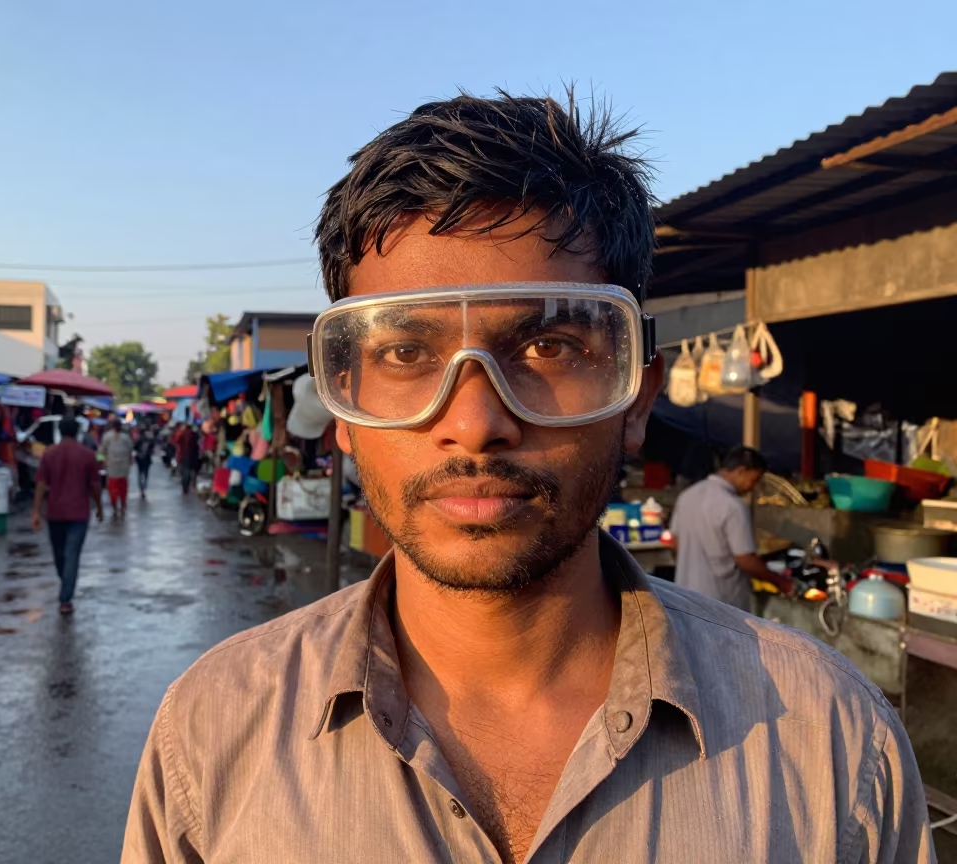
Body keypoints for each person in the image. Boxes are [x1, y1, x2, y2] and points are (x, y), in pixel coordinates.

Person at [123, 90, 933, 864]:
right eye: (406, 354)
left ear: (637, 397)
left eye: (548, 347)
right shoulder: (211, 735)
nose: (475, 423)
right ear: (344, 407)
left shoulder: (831, 744)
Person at [670, 445, 792, 611]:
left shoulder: (687, 495)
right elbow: (745, 560)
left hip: (684, 595)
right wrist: (781, 582)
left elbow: (675, 543)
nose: (752, 487)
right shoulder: (733, 505)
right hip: (720, 601)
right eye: (754, 480)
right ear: (741, 471)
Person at [32, 417, 103, 615]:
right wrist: (98, 506)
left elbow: (40, 484)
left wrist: (36, 511)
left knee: (60, 554)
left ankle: (65, 593)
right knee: (71, 555)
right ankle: (66, 596)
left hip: (55, 512)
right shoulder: (88, 455)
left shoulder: (49, 454)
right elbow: (95, 486)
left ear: (60, 431)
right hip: (79, 513)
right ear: (77, 432)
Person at [99, 417, 133, 518]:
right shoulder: (126, 437)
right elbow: (130, 452)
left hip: (112, 468)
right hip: (123, 469)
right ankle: (122, 507)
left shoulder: (107, 436)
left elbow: (101, 452)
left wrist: (101, 462)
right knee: (123, 489)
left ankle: (115, 508)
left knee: (113, 489)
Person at [173, 424, 200, 496]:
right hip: (191, 456)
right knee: (188, 472)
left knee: (185, 472)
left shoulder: (183, 434)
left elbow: (177, 442)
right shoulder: (193, 435)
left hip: (184, 455)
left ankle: (185, 487)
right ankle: (186, 487)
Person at [134, 426, 157, 500]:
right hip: (147, 460)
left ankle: (142, 489)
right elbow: (152, 448)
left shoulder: (138, 440)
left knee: (140, 474)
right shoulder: (148, 440)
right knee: (146, 474)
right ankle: (144, 487)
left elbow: (135, 448)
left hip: (140, 460)